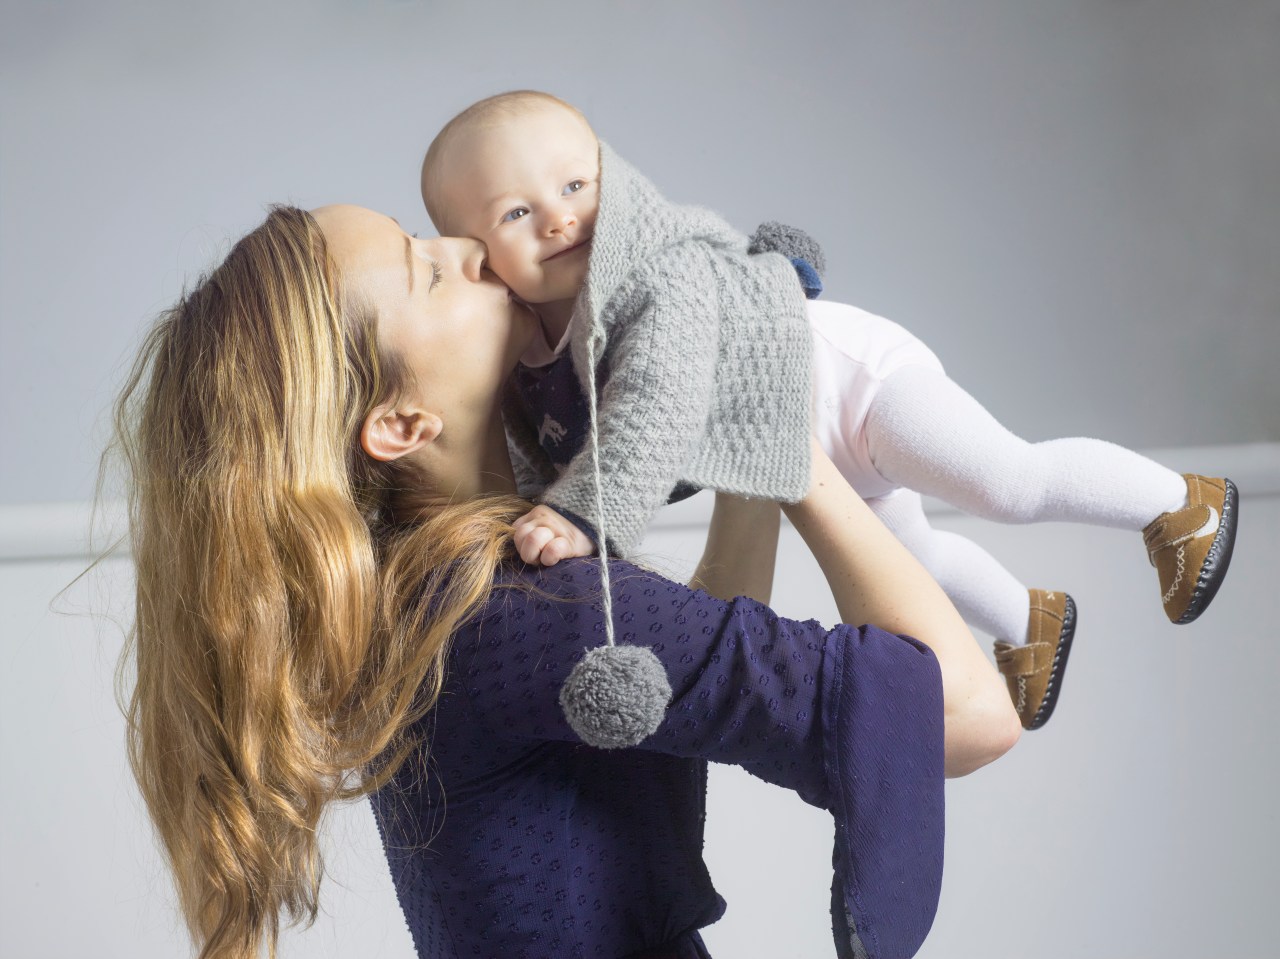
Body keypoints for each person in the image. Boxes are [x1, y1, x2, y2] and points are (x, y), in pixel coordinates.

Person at [113, 203, 1017, 959]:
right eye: (428, 272)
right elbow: (968, 717)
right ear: (399, 422)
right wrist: (796, 442)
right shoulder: (526, 610)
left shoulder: (434, 598)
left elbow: (693, 641)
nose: (468, 248)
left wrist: (746, 431)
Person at [419, 89, 1240, 732]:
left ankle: (1179, 504)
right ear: (472, 256)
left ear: (613, 179)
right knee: (910, 564)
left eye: (574, 184)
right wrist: (522, 519)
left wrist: (584, 517)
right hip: (793, 448)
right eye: (516, 213)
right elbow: (540, 454)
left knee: (1006, 483)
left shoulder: (661, 276)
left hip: (844, 379)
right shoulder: (529, 355)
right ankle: (1031, 620)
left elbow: (653, 407)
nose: (560, 216)